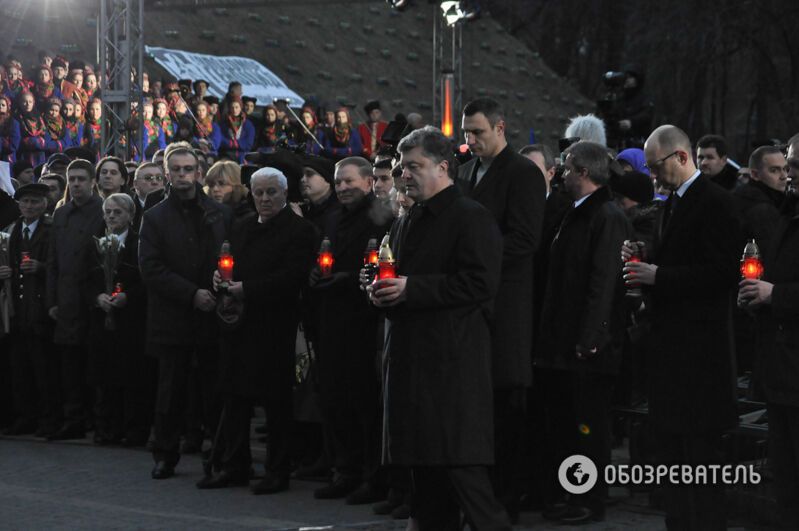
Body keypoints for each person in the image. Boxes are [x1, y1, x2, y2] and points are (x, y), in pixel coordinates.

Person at [368, 126, 510, 530]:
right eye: (400, 166)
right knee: (425, 482)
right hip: (412, 364)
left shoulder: (471, 217)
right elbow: (397, 273)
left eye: (414, 166)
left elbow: (482, 282)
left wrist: (413, 288)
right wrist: (380, 289)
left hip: (452, 368)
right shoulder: (408, 217)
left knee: (465, 479)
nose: (404, 174)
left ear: (444, 167)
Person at [622, 125, 741, 530]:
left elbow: (723, 272)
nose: (652, 176)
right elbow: (674, 257)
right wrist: (643, 257)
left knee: (701, 462)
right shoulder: (670, 203)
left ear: (680, 157)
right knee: (672, 457)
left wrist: (660, 277)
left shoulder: (716, 202)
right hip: (670, 354)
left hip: (700, 356)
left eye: (656, 167)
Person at [198, 168, 316, 492]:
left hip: (275, 327)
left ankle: (278, 471)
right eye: (259, 192)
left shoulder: (300, 230)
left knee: (276, 403)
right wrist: (219, 279)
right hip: (238, 326)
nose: (264, 199)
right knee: (235, 399)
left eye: (271, 193)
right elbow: (228, 262)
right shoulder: (243, 225)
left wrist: (245, 288)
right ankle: (235, 464)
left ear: (284, 193)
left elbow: (292, 276)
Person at [535, 141, 631, 524]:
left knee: (588, 428)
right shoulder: (574, 214)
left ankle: (588, 499)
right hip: (564, 343)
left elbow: (603, 283)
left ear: (583, 172)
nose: (560, 172)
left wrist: (590, 339)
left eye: (566, 166)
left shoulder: (605, 217)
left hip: (587, 348)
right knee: (566, 426)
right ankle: (567, 492)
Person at [458, 98, 546, 518]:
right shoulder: (466, 172)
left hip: (506, 303)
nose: (469, 139)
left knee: (507, 403)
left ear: (500, 127)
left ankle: (509, 494)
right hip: (472, 303)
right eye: (466, 132)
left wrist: (475, 257)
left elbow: (526, 240)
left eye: (477, 131)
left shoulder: (522, 173)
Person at [138, 141, 232, 479]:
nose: (182, 175)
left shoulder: (219, 214)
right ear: (166, 173)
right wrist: (191, 294)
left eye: (187, 169)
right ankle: (165, 454)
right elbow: (151, 268)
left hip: (213, 316)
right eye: (175, 170)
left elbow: (230, 258)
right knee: (170, 393)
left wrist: (218, 287)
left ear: (198, 172)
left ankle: (220, 453)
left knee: (214, 389)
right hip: (173, 317)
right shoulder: (154, 217)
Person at [310, 156, 390, 503]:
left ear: (369, 183)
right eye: (338, 182)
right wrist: (316, 274)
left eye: (350, 182)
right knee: (334, 399)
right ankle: (345, 469)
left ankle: (373, 476)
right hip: (331, 320)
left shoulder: (383, 218)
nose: (343, 188)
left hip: (363, 320)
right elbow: (324, 257)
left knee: (364, 404)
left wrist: (347, 279)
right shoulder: (331, 219)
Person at [737, 133, 799, 528]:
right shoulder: (785, 214)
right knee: (785, 476)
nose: (789, 174)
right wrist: (754, 297)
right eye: (788, 165)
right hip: (781, 367)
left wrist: (775, 294)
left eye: (794, 165)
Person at [84, 193, 152, 446]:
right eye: (108, 212)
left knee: (133, 379)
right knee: (105, 378)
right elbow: (86, 281)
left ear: (131, 216)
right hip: (102, 321)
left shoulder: (139, 243)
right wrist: (97, 297)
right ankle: (107, 429)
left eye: (118, 212)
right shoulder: (95, 244)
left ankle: (134, 430)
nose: (112, 216)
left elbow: (146, 280)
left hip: (131, 322)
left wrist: (128, 297)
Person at [46, 158, 105, 441]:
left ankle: (96, 418)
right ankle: (74, 417)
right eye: (73, 179)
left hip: (91, 300)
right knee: (68, 365)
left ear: (92, 181)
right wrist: (52, 300)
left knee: (92, 363)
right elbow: (53, 261)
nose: (77, 184)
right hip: (66, 299)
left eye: (82, 179)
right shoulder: (61, 214)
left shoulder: (103, 210)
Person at [0, 183, 58, 437]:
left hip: (40, 308)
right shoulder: (11, 231)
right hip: (18, 309)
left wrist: (42, 267)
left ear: (44, 204)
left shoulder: (51, 229)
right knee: (20, 369)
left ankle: (47, 418)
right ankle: (25, 416)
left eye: (35, 202)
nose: (30, 207)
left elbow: (58, 265)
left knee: (43, 369)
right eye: (25, 202)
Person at [732, 145, 787, 257]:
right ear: (755, 174)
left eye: (785, 169)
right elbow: (773, 255)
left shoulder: (739, 195)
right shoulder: (762, 209)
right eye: (774, 170)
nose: (783, 176)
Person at [16, 91, 47, 167]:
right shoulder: (17, 118)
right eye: (24, 102)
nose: (28, 104)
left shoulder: (39, 117)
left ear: (33, 102)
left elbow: (45, 133)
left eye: (30, 101)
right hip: (25, 154)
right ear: (20, 103)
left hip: (40, 154)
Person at [218, 98, 255, 163]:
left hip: (243, 155)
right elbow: (221, 139)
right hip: (227, 154)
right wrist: (230, 143)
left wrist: (237, 144)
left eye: (236, 107)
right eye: (232, 107)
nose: (234, 110)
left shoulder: (248, 124)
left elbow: (249, 143)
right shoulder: (224, 123)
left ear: (241, 108)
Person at [0, 95, 21, 163]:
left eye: (3, 105)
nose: (0, 107)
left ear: (7, 107)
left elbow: (13, 146)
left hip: (6, 160)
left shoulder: (13, 123)